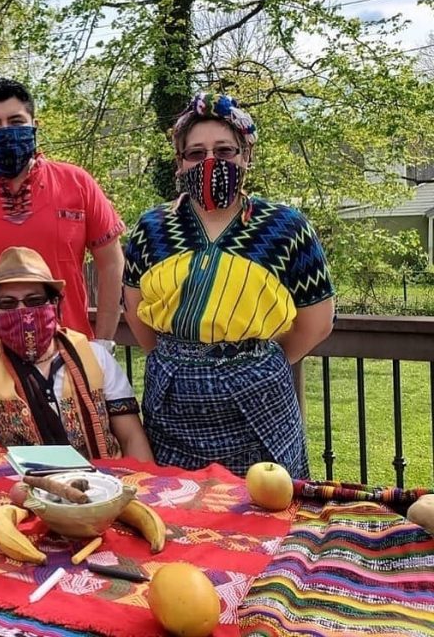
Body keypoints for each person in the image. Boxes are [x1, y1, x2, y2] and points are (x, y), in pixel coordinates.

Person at [123, 93, 335, 479]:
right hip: (172, 403)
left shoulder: (285, 226)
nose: (211, 162)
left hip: (260, 399)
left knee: (266, 502)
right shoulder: (152, 228)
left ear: (246, 155)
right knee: (176, 501)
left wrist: (251, 360)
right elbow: (138, 314)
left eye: (224, 151)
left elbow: (316, 322)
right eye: (196, 153)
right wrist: (183, 359)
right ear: (180, 162)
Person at [0, 77, 125, 369]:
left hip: (72, 358)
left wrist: (102, 343)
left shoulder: (78, 184)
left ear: (34, 125)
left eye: (16, 121)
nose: (6, 131)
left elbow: (112, 263)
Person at [0, 246, 153, 479]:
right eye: (8, 303)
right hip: (18, 489)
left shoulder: (95, 356)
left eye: (34, 301)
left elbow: (131, 437)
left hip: (104, 487)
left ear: (54, 304)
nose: (23, 312)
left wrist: (146, 484)